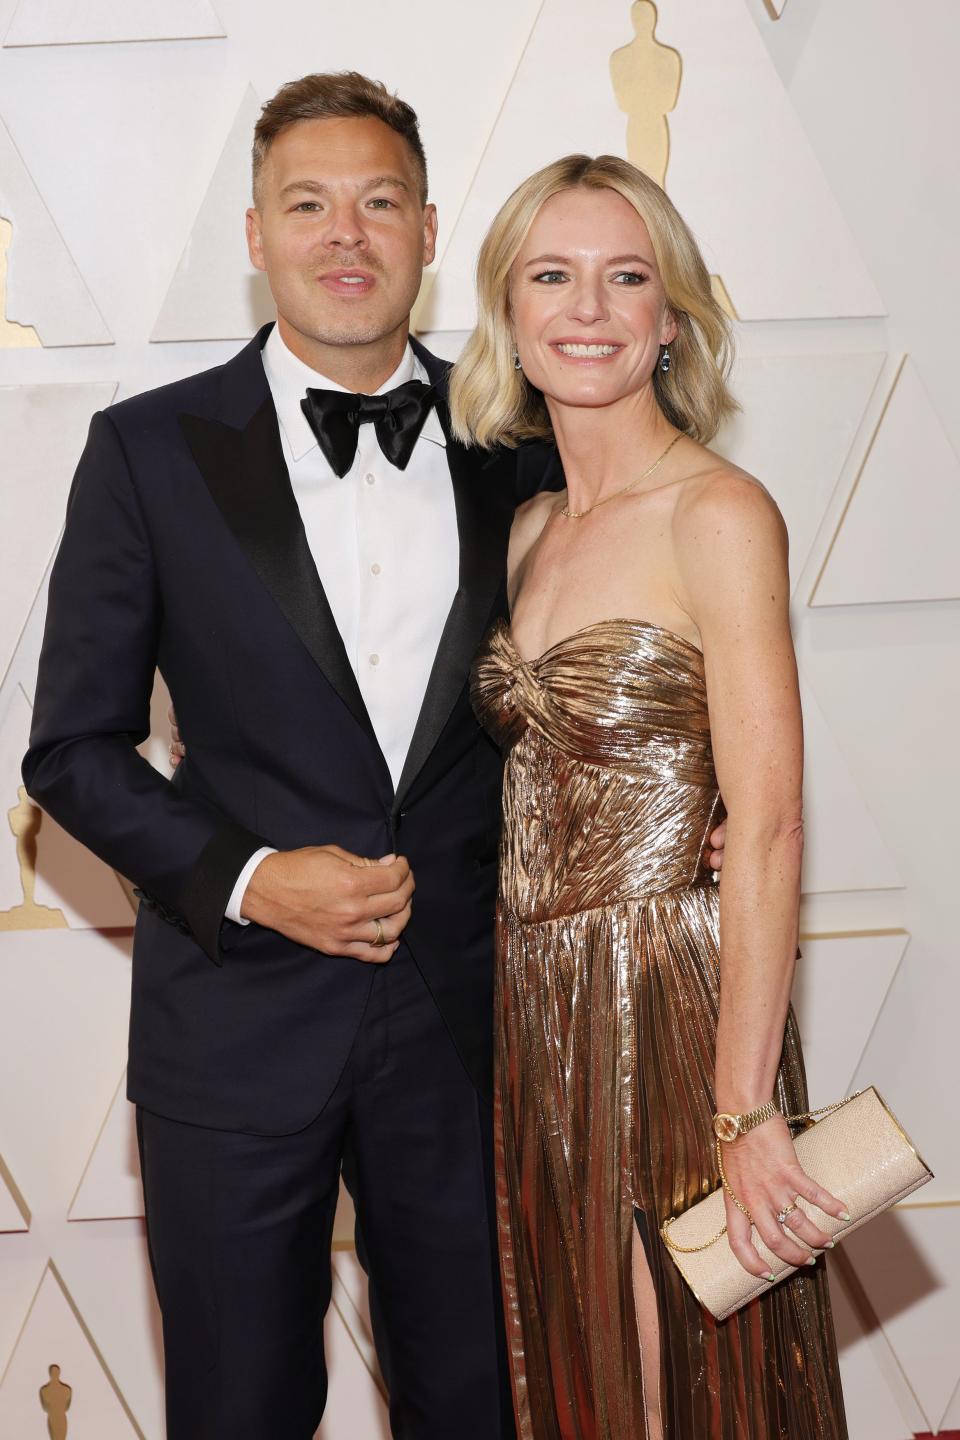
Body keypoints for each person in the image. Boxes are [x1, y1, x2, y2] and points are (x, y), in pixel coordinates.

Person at [459, 155, 849, 1439]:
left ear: (670, 316)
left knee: (677, 1366)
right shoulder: (525, 531)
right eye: (553, 277)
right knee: (577, 1368)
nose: (589, 309)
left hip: (671, 999)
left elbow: (773, 820)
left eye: (627, 278)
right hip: (539, 993)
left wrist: (745, 1108)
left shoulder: (720, 513)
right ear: (508, 308)